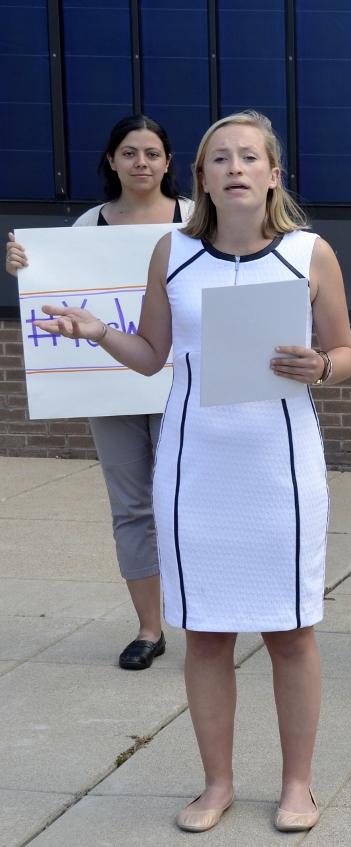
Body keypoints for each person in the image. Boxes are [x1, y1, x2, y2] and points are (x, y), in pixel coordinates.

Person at [34, 110, 351, 834]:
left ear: (273, 172)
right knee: (206, 633)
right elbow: (152, 354)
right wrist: (95, 330)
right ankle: (216, 784)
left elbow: (344, 353)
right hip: (195, 467)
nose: (235, 168)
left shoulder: (310, 253)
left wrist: (321, 367)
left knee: (290, 630)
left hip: (281, 471)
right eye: (221, 158)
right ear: (202, 176)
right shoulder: (171, 254)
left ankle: (298, 783)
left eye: (250, 157)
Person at [5, 114, 193, 671]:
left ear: (167, 162)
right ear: (111, 161)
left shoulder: (195, 221)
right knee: (132, 507)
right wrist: (25, 270)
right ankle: (149, 627)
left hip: (182, 381)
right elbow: (54, 296)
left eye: (152, 153)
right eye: (130, 153)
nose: (142, 163)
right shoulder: (86, 228)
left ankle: (205, 618)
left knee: (187, 501)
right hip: (107, 386)